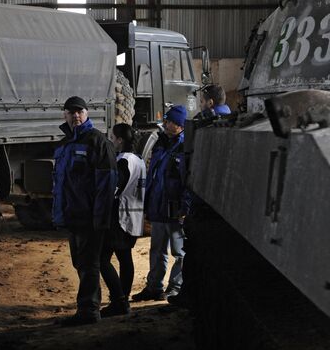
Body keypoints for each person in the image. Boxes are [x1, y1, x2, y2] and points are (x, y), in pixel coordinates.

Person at [52, 96, 118, 326]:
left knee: (89, 264)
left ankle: (89, 310)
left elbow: (106, 184)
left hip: (90, 218)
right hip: (73, 217)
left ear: (87, 113)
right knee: (80, 262)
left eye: (79, 111)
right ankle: (97, 304)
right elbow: (59, 185)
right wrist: (59, 215)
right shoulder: (63, 145)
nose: (75, 116)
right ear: (65, 115)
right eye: (71, 112)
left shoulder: (97, 142)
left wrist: (100, 218)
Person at [167, 85, 231, 308]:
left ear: (210, 102)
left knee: (194, 253)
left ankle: (190, 296)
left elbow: (193, 168)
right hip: (222, 205)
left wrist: (187, 205)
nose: (200, 105)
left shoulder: (206, 125)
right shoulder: (230, 121)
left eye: (202, 101)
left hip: (204, 202)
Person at [132, 105, 189, 302]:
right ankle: (154, 287)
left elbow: (188, 182)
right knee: (157, 250)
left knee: (179, 253)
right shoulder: (161, 144)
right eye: (165, 121)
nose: (165, 124)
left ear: (180, 126)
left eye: (170, 121)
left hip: (175, 211)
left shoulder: (184, 148)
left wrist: (184, 208)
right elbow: (154, 177)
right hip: (158, 208)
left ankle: (175, 287)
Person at [99, 123, 146, 317]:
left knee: (102, 259)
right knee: (125, 258)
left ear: (119, 139)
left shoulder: (124, 161)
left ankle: (119, 300)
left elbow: (115, 188)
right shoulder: (139, 160)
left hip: (120, 218)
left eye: (112, 137)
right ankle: (123, 299)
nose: (111, 140)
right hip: (134, 216)